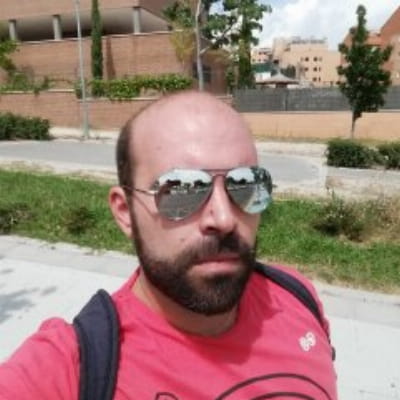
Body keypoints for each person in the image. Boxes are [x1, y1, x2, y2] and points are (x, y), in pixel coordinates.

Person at [0, 90, 337, 399]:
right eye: (181, 190)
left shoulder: (298, 299)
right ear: (125, 213)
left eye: (245, 185)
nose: (223, 218)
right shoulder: (70, 369)